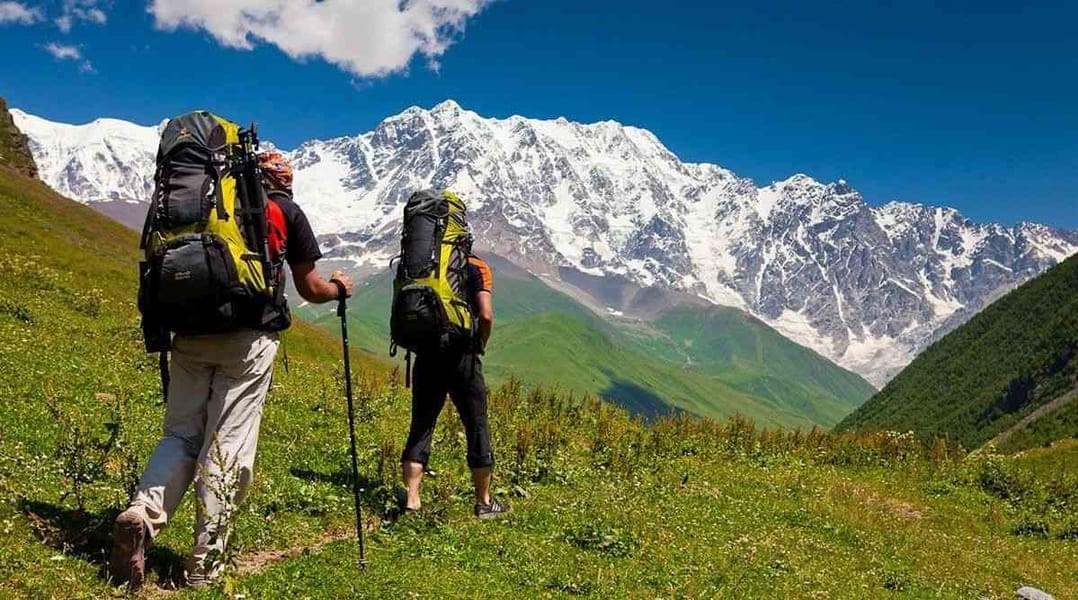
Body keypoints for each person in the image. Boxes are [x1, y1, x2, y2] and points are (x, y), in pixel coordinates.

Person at [110, 151, 354, 589]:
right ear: (283, 180)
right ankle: (205, 565)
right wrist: (338, 288)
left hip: (188, 334)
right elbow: (309, 287)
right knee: (226, 447)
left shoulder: (201, 207)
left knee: (180, 434)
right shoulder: (283, 210)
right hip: (247, 339)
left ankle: (141, 515)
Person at [399, 246, 509, 519]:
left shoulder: (421, 264)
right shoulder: (476, 265)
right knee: (476, 425)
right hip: (462, 355)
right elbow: (485, 315)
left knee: (422, 425)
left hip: (426, 354)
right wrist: (479, 343)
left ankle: (412, 500)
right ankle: (483, 502)